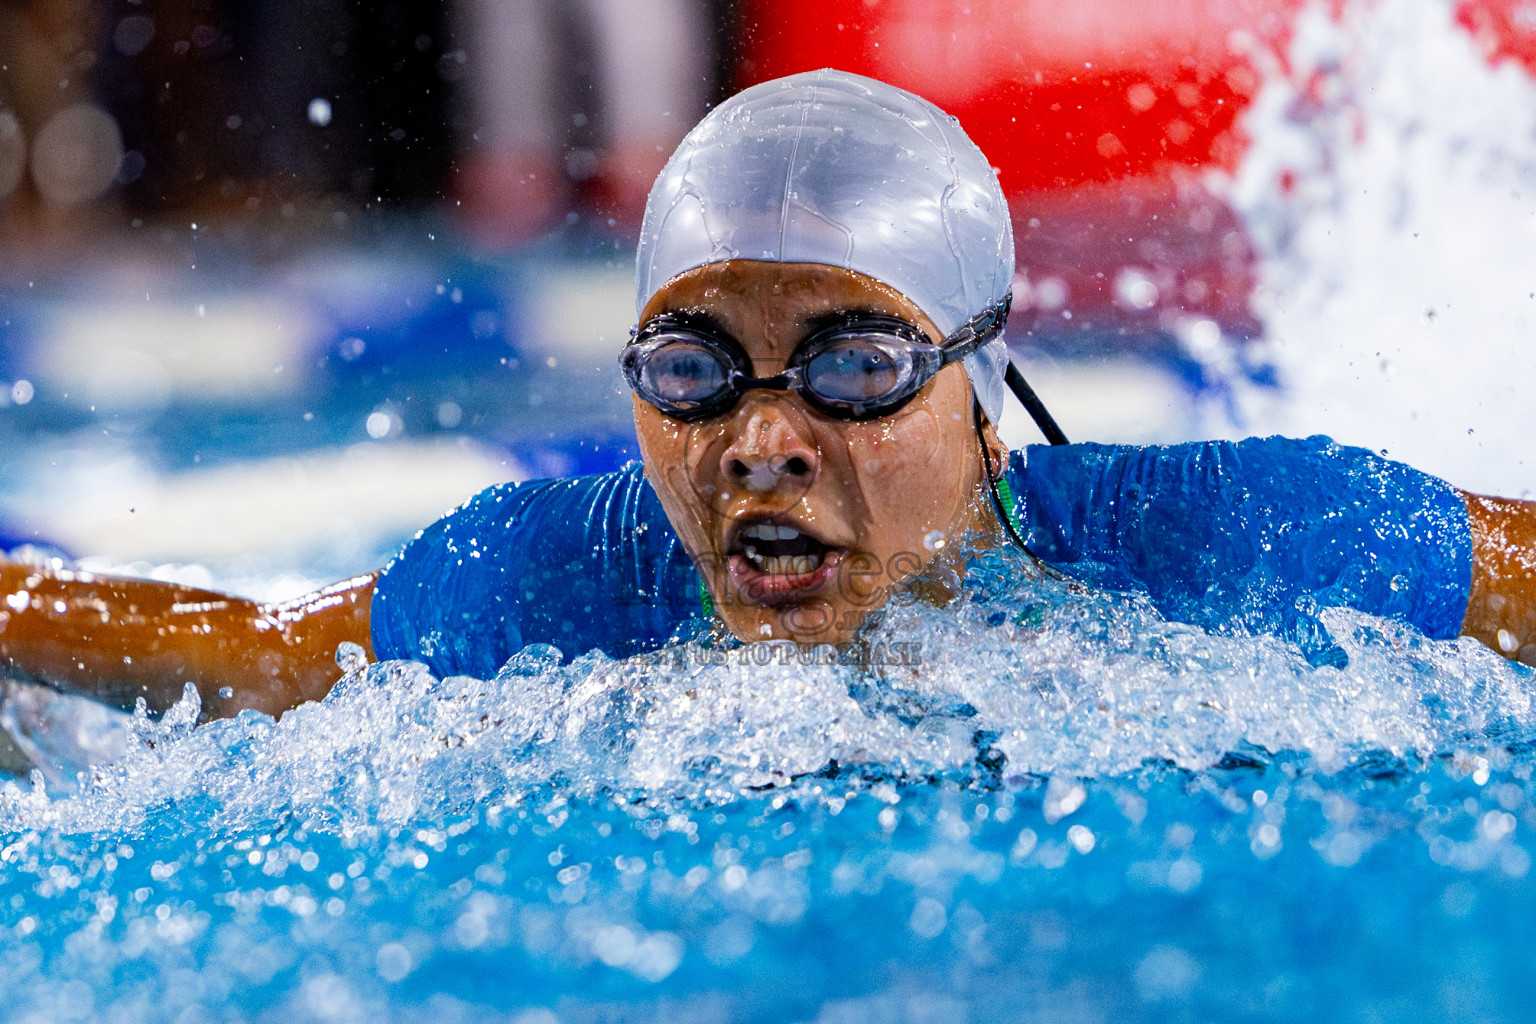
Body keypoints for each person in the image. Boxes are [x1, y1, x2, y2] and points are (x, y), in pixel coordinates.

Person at [1, 69, 1533, 723]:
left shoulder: (1237, 546)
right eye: (691, 369)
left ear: (980, 386)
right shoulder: (558, 577)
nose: (760, 444)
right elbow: (260, 651)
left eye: (859, 369)